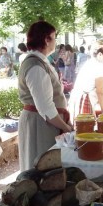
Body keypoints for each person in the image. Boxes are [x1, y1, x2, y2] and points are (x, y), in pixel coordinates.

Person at [18, 21, 72, 171]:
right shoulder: (35, 66)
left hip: (42, 121)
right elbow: (46, 107)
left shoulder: (39, 62)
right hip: (40, 123)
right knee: (40, 165)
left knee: (44, 164)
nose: (56, 42)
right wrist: (66, 127)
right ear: (46, 39)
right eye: (54, 37)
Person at [68, 42, 103, 121]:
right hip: (84, 99)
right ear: (100, 54)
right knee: (86, 129)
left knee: (78, 129)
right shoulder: (99, 66)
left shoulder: (89, 63)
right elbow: (100, 91)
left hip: (76, 98)